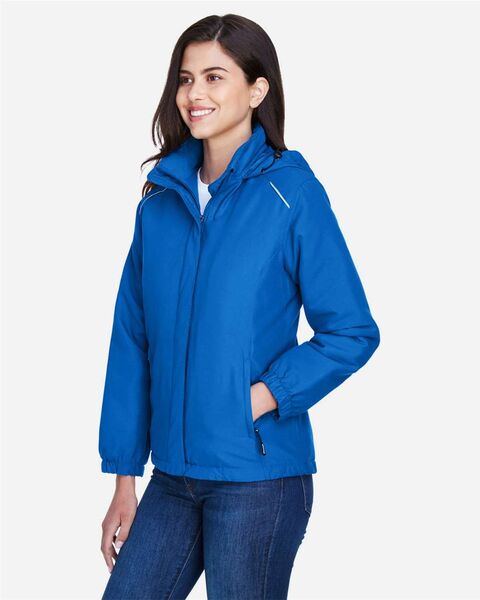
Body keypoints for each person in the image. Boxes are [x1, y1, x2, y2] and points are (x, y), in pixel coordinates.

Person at [98, 13, 380, 600]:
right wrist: (124, 479)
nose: (194, 94)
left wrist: (261, 397)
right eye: (186, 78)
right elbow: (132, 342)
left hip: (258, 478)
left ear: (256, 90)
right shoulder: (159, 206)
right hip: (172, 479)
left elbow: (351, 330)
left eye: (214, 77)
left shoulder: (292, 194)